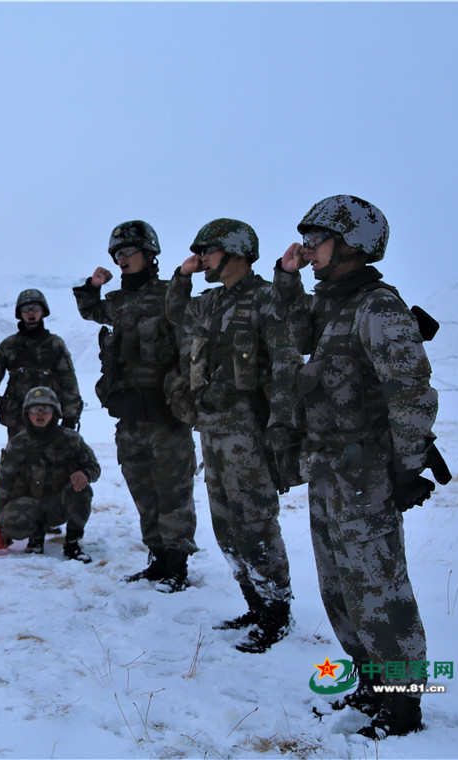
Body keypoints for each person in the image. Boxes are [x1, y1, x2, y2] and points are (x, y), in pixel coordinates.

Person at [276, 195, 439, 738]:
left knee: (379, 591)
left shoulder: (378, 307)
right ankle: (371, 686)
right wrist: (288, 277)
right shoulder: (331, 303)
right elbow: (298, 333)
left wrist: (409, 467)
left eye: (315, 240)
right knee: (340, 589)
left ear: (350, 244)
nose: (307, 249)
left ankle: (402, 709)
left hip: (367, 473)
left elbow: (411, 390)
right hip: (328, 470)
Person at [165, 218, 303, 653]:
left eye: (208, 251)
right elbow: (175, 314)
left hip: (249, 433)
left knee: (256, 524)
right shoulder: (208, 303)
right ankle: (255, 603)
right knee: (225, 526)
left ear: (236, 251)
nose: (202, 258)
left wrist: (281, 428)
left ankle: (277, 614)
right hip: (212, 430)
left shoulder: (265, 299)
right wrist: (182, 277)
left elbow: (285, 365)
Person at [73, 220, 198, 592]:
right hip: (129, 413)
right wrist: (92, 286)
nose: (123, 259)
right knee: (141, 487)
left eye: (129, 252)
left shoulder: (168, 295)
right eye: (118, 254)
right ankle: (157, 559)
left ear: (149, 254)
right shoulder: (117, 301)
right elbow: (90, 310)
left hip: (165, 412)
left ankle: (177, 565)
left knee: (173, 490)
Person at [0, 387, 100, 563]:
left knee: (82, 490)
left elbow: (94, 467)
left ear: (55, 412)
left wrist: (84, 473)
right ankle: (35, 538)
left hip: (58, 505)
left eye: (46, 409)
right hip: (28, 506)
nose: (40, 414)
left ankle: (73, 543)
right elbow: (2, 484)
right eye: (35, 409)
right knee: (9, 520)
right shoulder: (16, 444)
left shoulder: (72, 440)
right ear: (27, 413)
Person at [0, 289, 82, 440]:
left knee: (51, 460)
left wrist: (70, 417)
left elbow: (69, 382)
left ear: (43, 311)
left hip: (48, 417)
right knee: (18, 460)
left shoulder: (55, 344)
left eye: (35, 308)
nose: (31, 313)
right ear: (20, 313)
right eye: (26, 309)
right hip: (17, 418)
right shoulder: (9, 345)